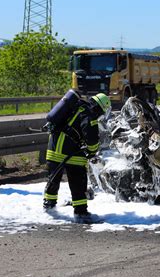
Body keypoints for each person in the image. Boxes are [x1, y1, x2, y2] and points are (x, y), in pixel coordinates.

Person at [43, 92, 111, 223]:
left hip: (53, 149)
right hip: (71, 154)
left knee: (53, 180)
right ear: (100, 107)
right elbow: (91, 138)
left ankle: (49, 207)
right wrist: (92, 152)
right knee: (78, 183)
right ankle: (81, 213)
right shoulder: (89, 114)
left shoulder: (74, 107)